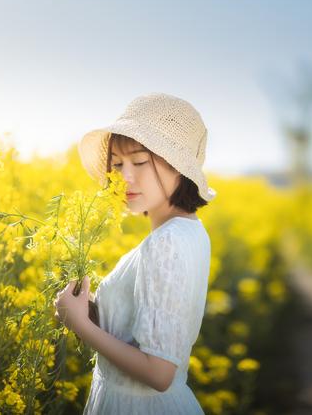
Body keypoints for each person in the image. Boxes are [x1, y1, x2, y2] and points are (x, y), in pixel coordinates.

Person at [54, 92, 216, 414]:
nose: (124, 177)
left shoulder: (165, 243)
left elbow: (159, 373)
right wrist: (94, 316)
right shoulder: (189, 231)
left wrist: (81, 326)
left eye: (140, 161)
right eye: (117, 164)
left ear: (179, 167)